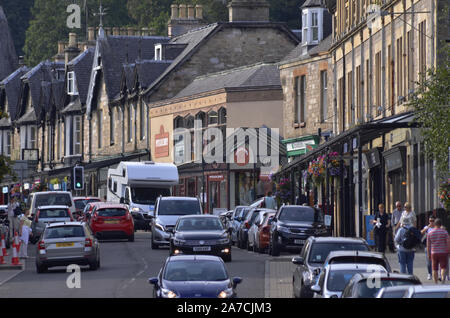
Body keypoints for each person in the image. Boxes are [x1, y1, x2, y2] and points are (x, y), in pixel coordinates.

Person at [426, 218, 449, 284]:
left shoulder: (430, 233)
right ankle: (443, 281)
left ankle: (436, 283)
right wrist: (448, 251)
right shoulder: (444, 232)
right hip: (443, 252)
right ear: (440, 224)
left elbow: (428, 245)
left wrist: (428, 254)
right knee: (443, 267)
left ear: (435, 224)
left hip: (434, 252)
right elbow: (448, 242)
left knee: (434, 268)